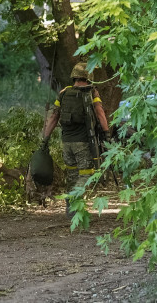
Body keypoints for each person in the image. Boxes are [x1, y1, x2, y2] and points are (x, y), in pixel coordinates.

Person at [40, 62, 110, 216]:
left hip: (66, 143)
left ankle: (71, 208)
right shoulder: (92, 93)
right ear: (88, 76)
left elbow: (53, 117)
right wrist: (107, 134)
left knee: (72, 175)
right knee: (87, 174)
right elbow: (100, 113)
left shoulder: (64, 93)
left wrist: (45, 138)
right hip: (84, 143)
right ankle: (73, 199)